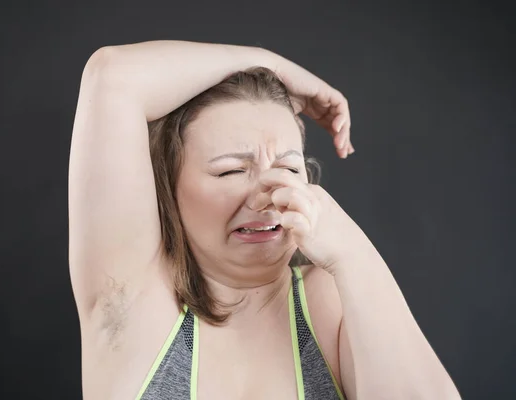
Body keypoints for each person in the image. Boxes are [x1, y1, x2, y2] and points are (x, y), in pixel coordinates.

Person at [68, 40, 461, 400]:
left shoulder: (330, 301)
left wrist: (354, 255)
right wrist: (269, 63)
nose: (270, 193)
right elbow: (113, 76)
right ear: (169, 188)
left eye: (289, 169)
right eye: (231, 172)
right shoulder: (132, 296)